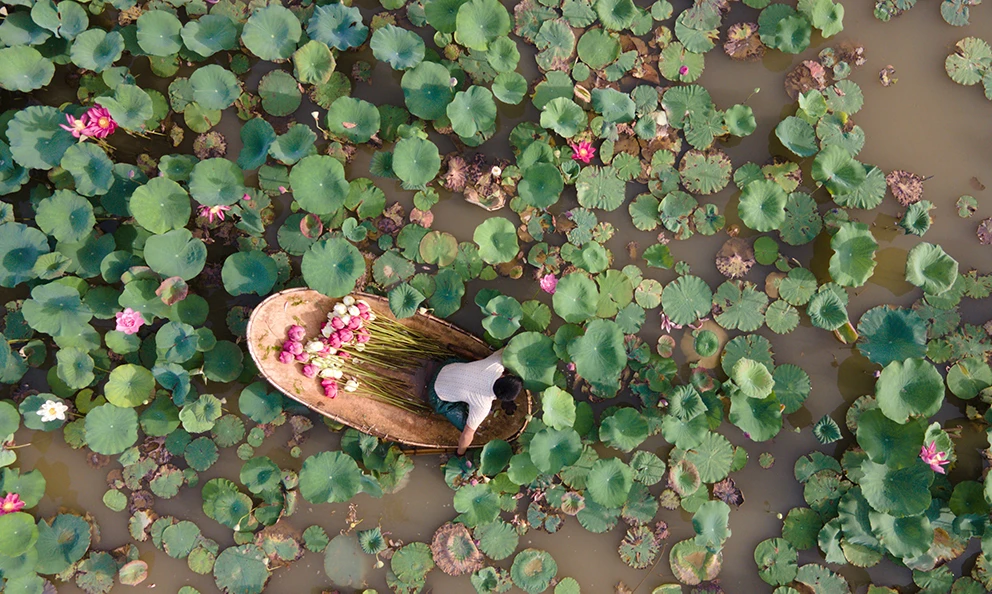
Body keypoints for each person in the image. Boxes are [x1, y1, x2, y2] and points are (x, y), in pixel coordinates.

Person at [429, 349, 523, 454]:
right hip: (437, 392)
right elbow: (467, 435)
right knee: (467, 425)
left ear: (504, 376)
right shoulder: (483, 405)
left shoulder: (495, 363)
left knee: (472, 366)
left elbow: (509, 348)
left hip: (446, 367)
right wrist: (460, 453)